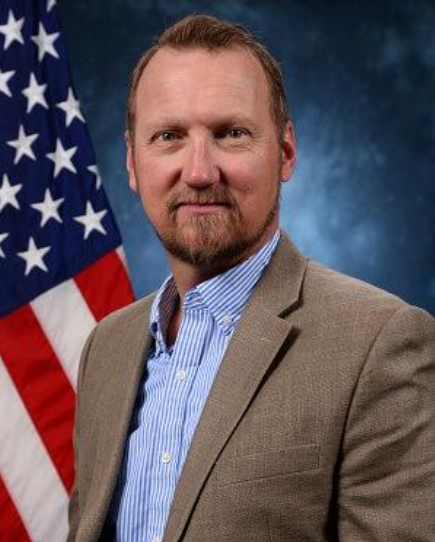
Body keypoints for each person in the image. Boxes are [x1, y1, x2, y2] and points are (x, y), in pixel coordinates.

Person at [67, 14, 435, 542]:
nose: (199, 171)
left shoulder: (380, 345)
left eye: (231, 133)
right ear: (131, 161)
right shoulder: (106, 347)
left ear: (285, 152)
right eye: (168, 136)